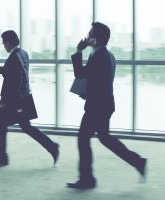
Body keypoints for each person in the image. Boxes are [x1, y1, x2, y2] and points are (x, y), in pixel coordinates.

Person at [67, 22, 147, 189]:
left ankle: (87, 179)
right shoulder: (106, 55)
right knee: (104, 138)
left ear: (95, 39)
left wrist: (78, 50)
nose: (87, 37)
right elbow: (99, 81)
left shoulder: (99, 56)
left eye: (90, 34)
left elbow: (80, 74)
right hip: (104, 104)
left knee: (83, 139)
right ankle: (137, 161)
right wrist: (87, 93)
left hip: (97, 107)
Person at [0, 30, 59, 167]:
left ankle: (2, 158)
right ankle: (52, 147)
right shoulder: (23, 53)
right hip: (24, 97)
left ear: (8, 42)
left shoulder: (14, 57)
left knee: (1, 125)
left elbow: (14, 80)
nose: (4, 46)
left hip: (14, 100)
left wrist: (4, 100)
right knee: (26, 127)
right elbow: (14, 72)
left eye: (4, 43)